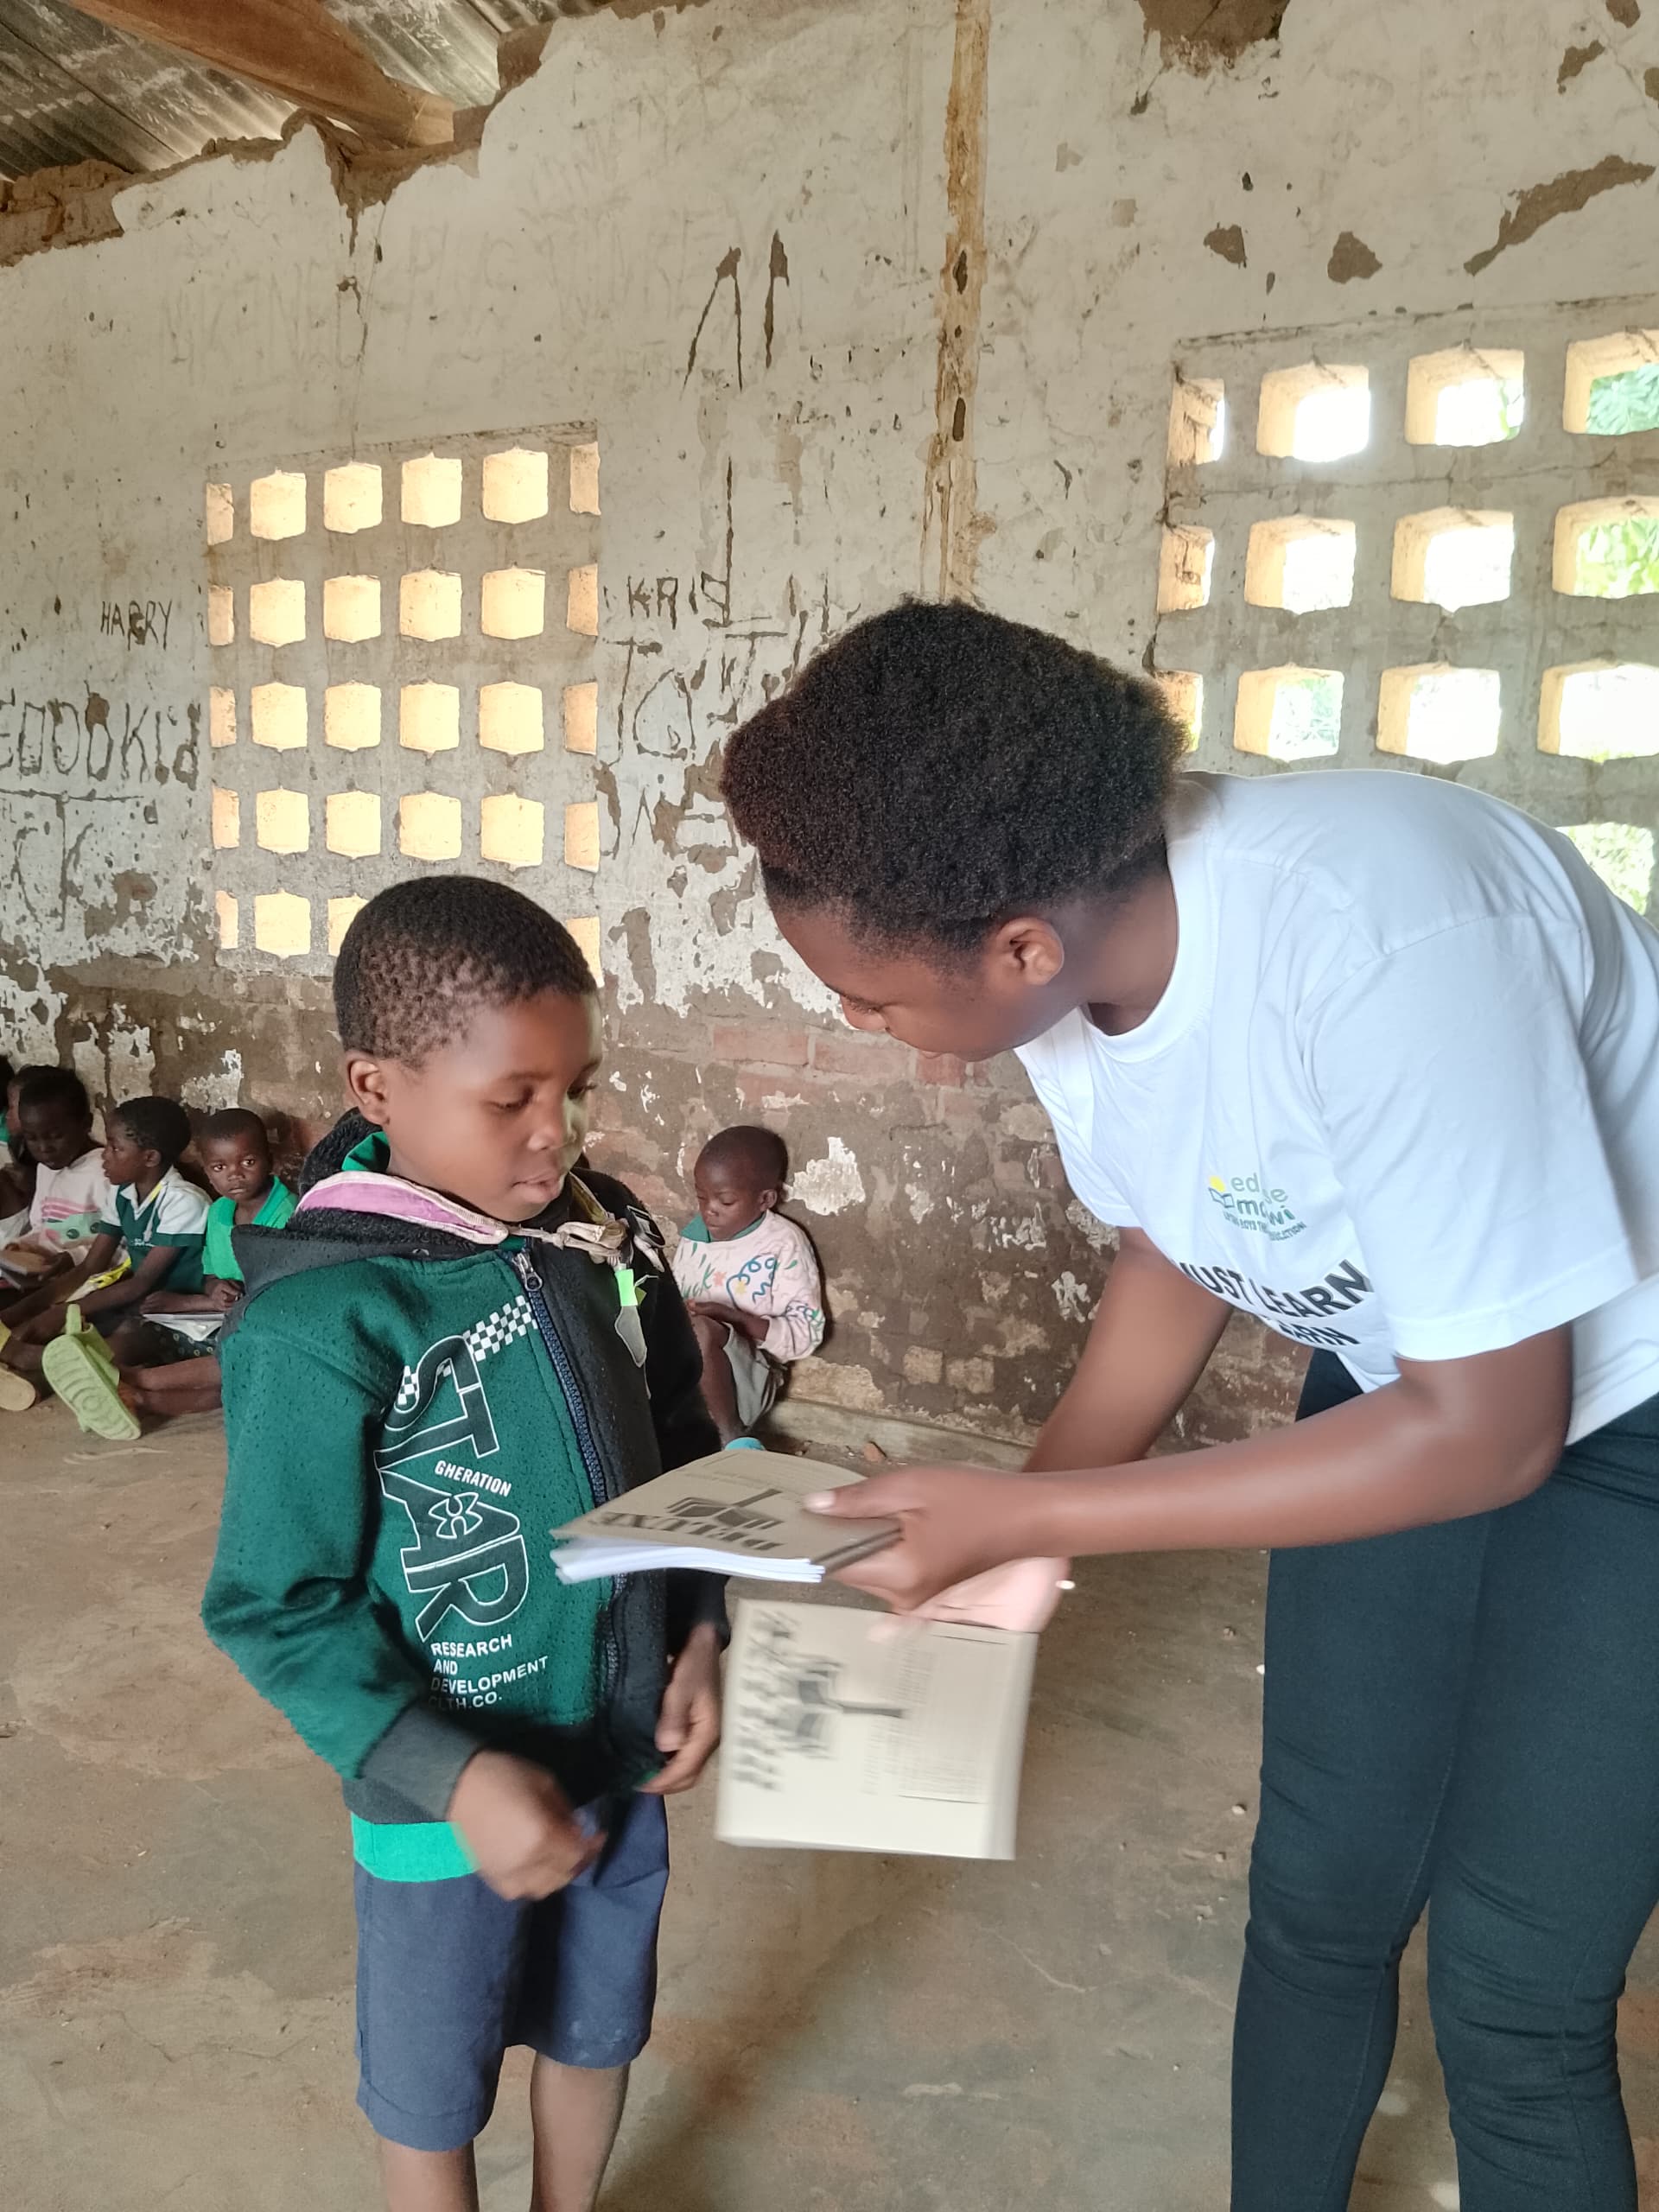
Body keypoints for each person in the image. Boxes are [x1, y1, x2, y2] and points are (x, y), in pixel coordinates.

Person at [720, 599, 1659, 2212]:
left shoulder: (1381, 928)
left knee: (1513, 1989)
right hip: (1396, 1376)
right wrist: (1021, 1521)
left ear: (1016, 942)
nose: (862, 1029)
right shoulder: (1074, 954)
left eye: (871, 999)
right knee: (1314, 1899)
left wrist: (1044, 1513)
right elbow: (1191, 1232)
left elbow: (1495, 1430)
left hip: (1623, 1420)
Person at [200, 875, 725, 2212]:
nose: (558, 1138)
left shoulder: (601, 1237)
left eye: (575, 1089)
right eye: (513, 1102)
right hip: (439, 1794)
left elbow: (682, 1437)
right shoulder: (323, 1319)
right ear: (375, 1090)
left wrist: (703, 1628)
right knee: (432, 2086)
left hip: (619, 1744)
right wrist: (449, 1771)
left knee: (594, 2028)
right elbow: (278, 1604)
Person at [0, 1094, 208, 1429]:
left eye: (114, 1147)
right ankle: (27, 1370)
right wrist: (24, 1315)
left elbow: (143, 1283)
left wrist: (67, 1311)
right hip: (135, 1300)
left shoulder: (183, 1202)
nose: (104, 1157)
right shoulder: (123, 1192)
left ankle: (33, 1375)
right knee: (39, 1330)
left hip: (177, 1313)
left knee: (116, 1345)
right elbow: (89, 1267)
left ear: (150, 1157)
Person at [125, 1107, 296, 1419]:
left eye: (248, 1162)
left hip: (263, 1326)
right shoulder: (218, 1213)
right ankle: (133, 1392)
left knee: (242, 1363)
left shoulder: (287, 1214)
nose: (235, 1174)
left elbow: (277, 1295)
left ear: (269, 1158)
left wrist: (193, 1303)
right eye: (220, 1166)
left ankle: (135, 1384)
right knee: (148, 1327)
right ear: (207, 1171)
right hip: (220, 1320)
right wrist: (215, 1287)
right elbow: (211, 1273)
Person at [671, 1124, 825, 1442]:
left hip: (747, 1381)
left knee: (702, 1331)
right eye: (702, 1197)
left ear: (765, 1199)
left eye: (725, 1201)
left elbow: (806, 1335)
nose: (709, 1210)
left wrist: (734, 1317)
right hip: (685, 1379)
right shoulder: (695, 1237)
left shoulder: (781, 1244)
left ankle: (731, 1440)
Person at [0, 1066, 111, 1302]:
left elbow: (124, 1244)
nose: (43, 1148)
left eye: (55, 1136)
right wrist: (21, 1247)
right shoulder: (46, 1169)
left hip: (90, 1282)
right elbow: (44, 1229)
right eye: (32, 1138)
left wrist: (74, 1257)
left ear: (86, 1124)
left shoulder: (106, 1172)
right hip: (45, 1277)